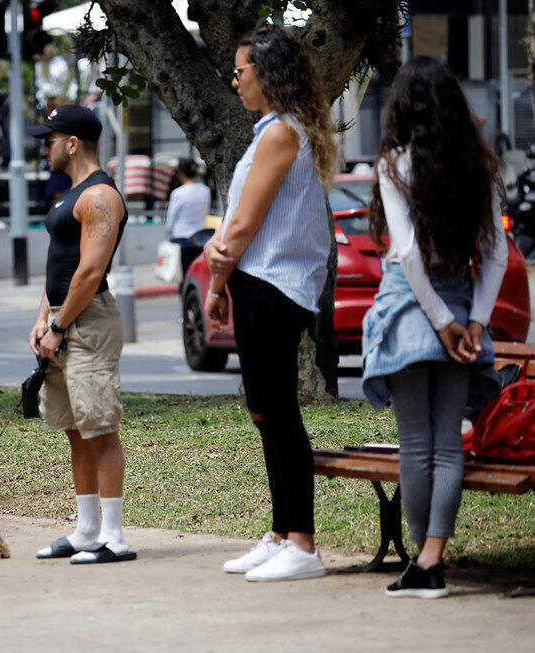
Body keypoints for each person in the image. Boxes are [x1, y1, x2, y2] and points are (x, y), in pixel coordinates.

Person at [362, 57, 507, 598]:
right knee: (448, 444)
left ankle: (424, 565)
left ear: (402, 107)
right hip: (460, 305)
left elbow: (405, 253)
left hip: (408, 309)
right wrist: (470, 323)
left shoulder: (395, 162)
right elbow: (494, 255)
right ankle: (430, 559)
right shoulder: (479, 165)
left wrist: (442, 323)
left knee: (414, 444)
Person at [203, 25, 336, 581]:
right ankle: (281, 534)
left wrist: (216, 268)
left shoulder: (282, 133)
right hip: (262, 283)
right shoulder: (276, 131)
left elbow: (244, 221)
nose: (234, 82)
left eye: (241, 72)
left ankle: (302, 545)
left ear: (268, 75)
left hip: (272, 284)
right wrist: (220, 277)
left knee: (277, 413)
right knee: (265, 412)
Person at [26, 105, 134, 564]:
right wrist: (42, 317)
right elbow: (61, 265)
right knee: (74, 428)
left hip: (86, 322)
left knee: (99, 427)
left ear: (72, 143)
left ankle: (114, 537)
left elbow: (90, 272)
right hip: (62, 318)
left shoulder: (100, 196)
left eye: (48, 140)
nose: (43, 148)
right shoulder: (69, 194)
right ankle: (87, 529)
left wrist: (59, 324)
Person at [166, 158, 211, 283]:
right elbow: (205, 213)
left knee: (184, 277)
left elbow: (171, 219)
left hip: (181, 237)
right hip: (200, 237)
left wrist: (168, 235)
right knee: (199, 276)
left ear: (180, 172)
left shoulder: (178, 193)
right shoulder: (205, 190)